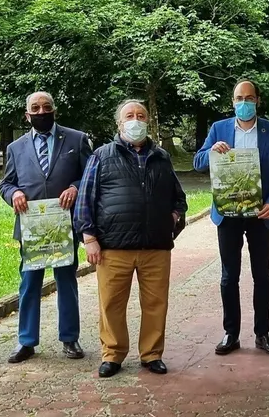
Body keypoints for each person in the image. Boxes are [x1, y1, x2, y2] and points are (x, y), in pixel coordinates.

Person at [74, 99, 187, 378]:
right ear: (119, 123)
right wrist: (89, 238)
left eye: (141, 115)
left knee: (156, 303)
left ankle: (151, 355)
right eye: (129, 115)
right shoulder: (101, 156)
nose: (136, 119)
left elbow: (179, 199)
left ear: (147, 122)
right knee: (111, 304)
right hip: (113, 247)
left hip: (155, 247)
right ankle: (112, 354)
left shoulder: (162, 157)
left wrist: (171, 218)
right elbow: (85, 200)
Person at [193, 80, 269, 356]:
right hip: (228, 214)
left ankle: (262, 334)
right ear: (232, 101)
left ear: (258, 101)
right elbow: (198, 162)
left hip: (260, 214)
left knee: (262, 275)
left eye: (249, 98)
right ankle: (231, 333)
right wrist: (211, 152)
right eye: (239, 97)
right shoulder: (219, 129)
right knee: (229, 276)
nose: (244, 103)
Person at [0, 91, 94, 364]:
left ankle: (70, 338)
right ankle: (26, 341)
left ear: (54, 110)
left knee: (67, 280)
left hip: (65, 224)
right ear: (26, 114)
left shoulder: (76, 139)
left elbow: (90, 174)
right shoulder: (15, 148)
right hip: (32, 228)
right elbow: (6, 183)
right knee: (29, 283)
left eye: (46, 107)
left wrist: (75, 188)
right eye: (35, 108)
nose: (41, 112)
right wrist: (14, 194)